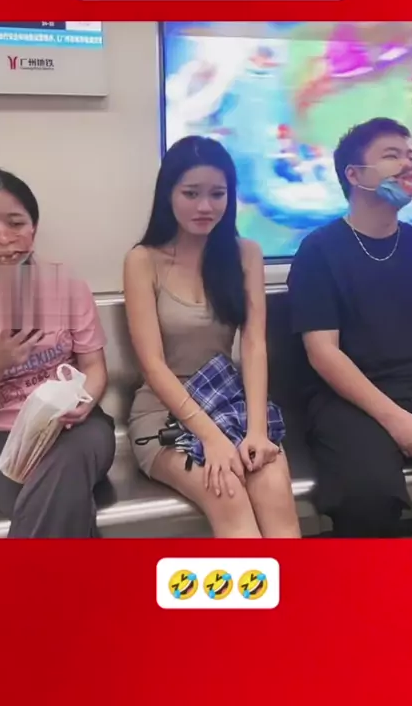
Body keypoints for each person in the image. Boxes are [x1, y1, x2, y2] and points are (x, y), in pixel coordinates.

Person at [123, 136, 300, 538]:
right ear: (168, 193)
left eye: (217, 194)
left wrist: (257, 431)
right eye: (191, 193)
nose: (205, 206)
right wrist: (211, 438)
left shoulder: (245, 254)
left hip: (230, 402)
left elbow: (254, 345)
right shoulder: (142, 260)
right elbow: (152, 365)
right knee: (227, 492)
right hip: (165, 413)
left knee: (273, 486)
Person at [287, 118, 412, 538]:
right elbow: (323, 353)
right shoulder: (319, 250)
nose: (408, 164)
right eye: (392, 155)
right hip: (348, 400)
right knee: (367, 496)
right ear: (354, 175)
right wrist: (396, 419)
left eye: (410, 155)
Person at [0, 168, 116, 538]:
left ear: (34, 228)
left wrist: (85, 402)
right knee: (62, 501)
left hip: (75, 428)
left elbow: (95, 367)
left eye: (16, 223)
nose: (2, 236)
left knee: (66, 467)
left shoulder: (67, 285)